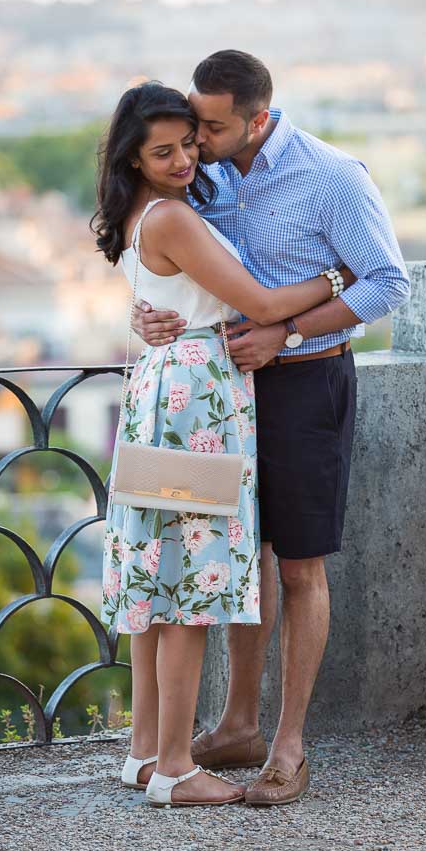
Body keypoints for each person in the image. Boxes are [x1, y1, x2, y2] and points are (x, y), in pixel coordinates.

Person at [132, 51, 411, 806]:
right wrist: (150, 311)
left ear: (258, 118)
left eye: (211, 127)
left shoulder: (331, 177)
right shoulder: (204, 176)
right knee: (234, 558)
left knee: (297, 567)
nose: (196, 140)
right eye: (191, 125)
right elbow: (184, 272)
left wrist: (283, 337)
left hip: (304, 386)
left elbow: (387, 281)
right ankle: (233, 727)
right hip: (222, 396)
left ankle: (287, 748)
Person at [91, 81, 355, 808]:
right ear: (134, 157)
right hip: (197, 405)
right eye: (164, 150)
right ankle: (176, 771)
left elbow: (163, 294)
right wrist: (338, 275)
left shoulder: (135, 213)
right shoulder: (174, 216)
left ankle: (144, 754)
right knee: (189, 581)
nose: (184, 159)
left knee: (156, 580)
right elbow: (263, 305)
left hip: (161, 393)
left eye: (188, 143)